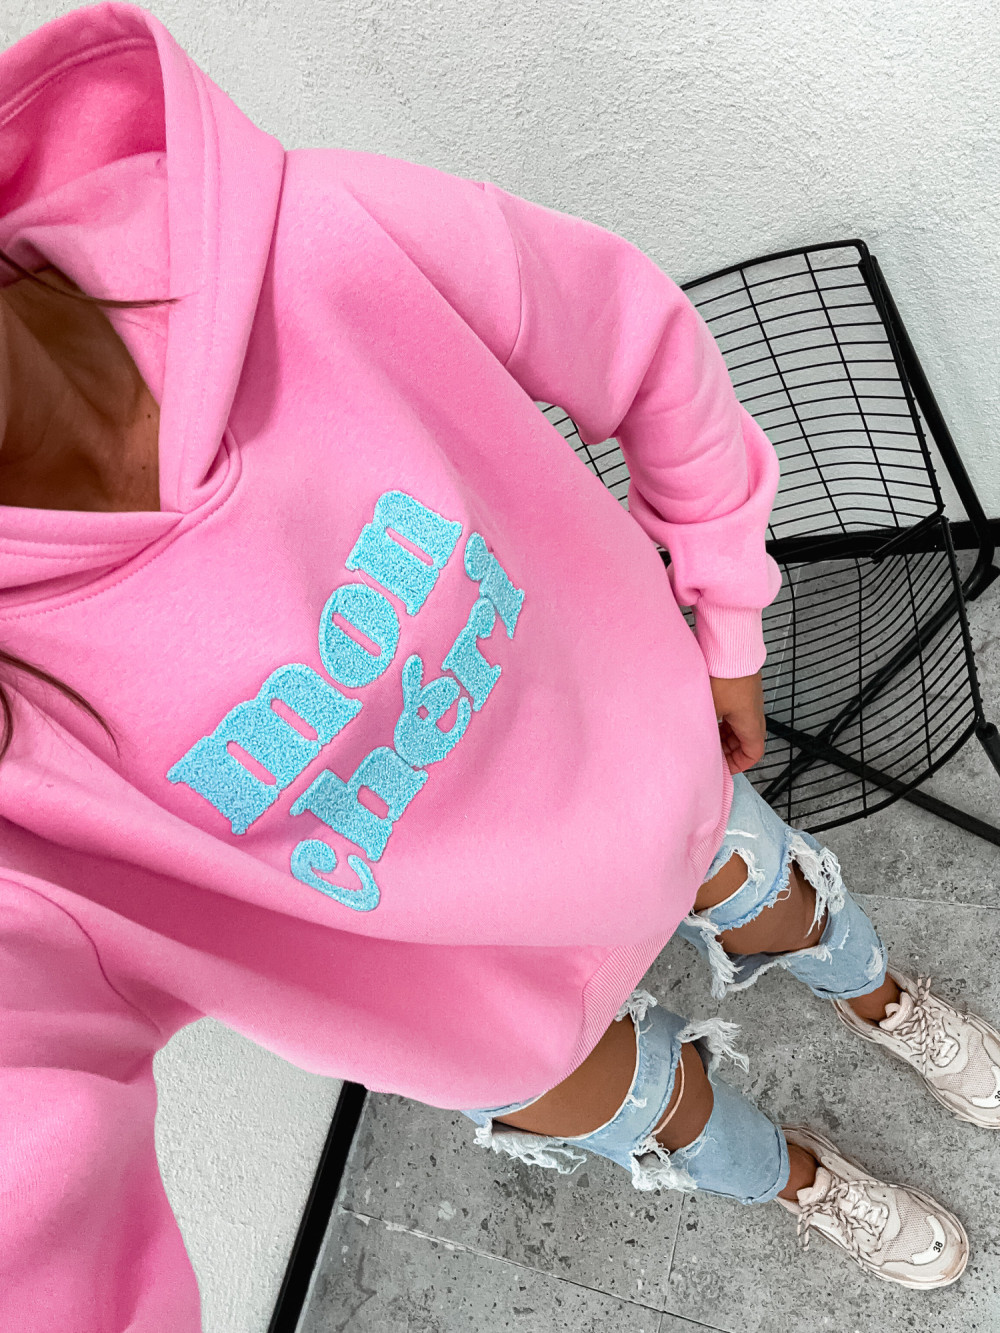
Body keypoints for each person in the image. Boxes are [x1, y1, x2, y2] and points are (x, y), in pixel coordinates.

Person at [1, 4, 998, 1327]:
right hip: (473, 1011)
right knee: (664, 1115)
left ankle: (883, 998)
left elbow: (635, 343)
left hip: (647, 774)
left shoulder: (297, 241)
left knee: (781, 899)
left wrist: (725, 610)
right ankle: (798, 1179)